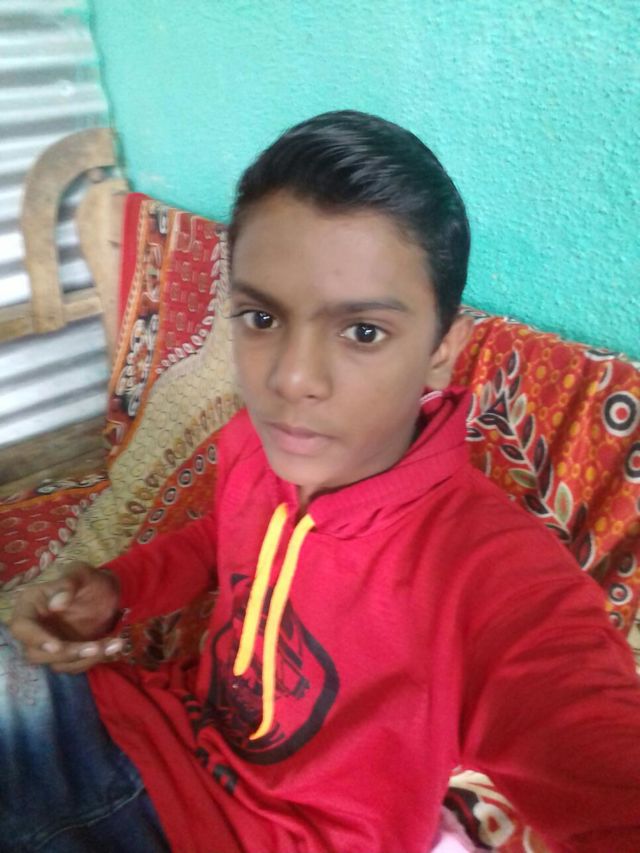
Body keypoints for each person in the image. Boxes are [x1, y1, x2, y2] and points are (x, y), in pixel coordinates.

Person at [4, 110, 640, 853]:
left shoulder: (491, 575)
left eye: (363, 331)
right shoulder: (259, 443)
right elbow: (223, 539)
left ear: (442, 350)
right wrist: (117, 590)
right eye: (261, 317)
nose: (291, 379)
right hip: (126, 723)